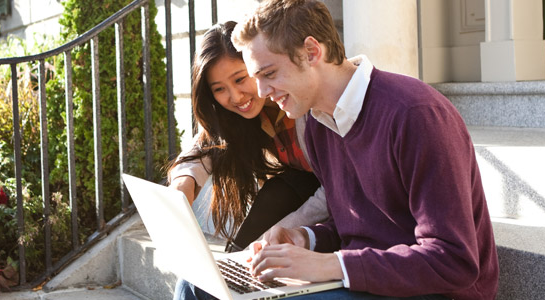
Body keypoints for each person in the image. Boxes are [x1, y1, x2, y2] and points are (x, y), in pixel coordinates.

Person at [175, 0, 499, 299]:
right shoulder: (317, 121)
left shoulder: (415, 114)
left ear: (312, 52)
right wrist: (303, 238)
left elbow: (454, 260)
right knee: (196, 285)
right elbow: (357, 226)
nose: (260, 92)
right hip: (361, 279)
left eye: (269, 74)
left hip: (431, 292)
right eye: (256, 77)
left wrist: (331, 265)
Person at [167, 21, 328, 251]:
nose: (236, 96)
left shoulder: (307, 108)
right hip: (296, 202)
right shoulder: (247, 117)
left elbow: (334, 193)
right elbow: (206, 144)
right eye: (219, 89)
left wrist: (275, 236)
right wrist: (184, 182)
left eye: (240, 79)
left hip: (340, 215)